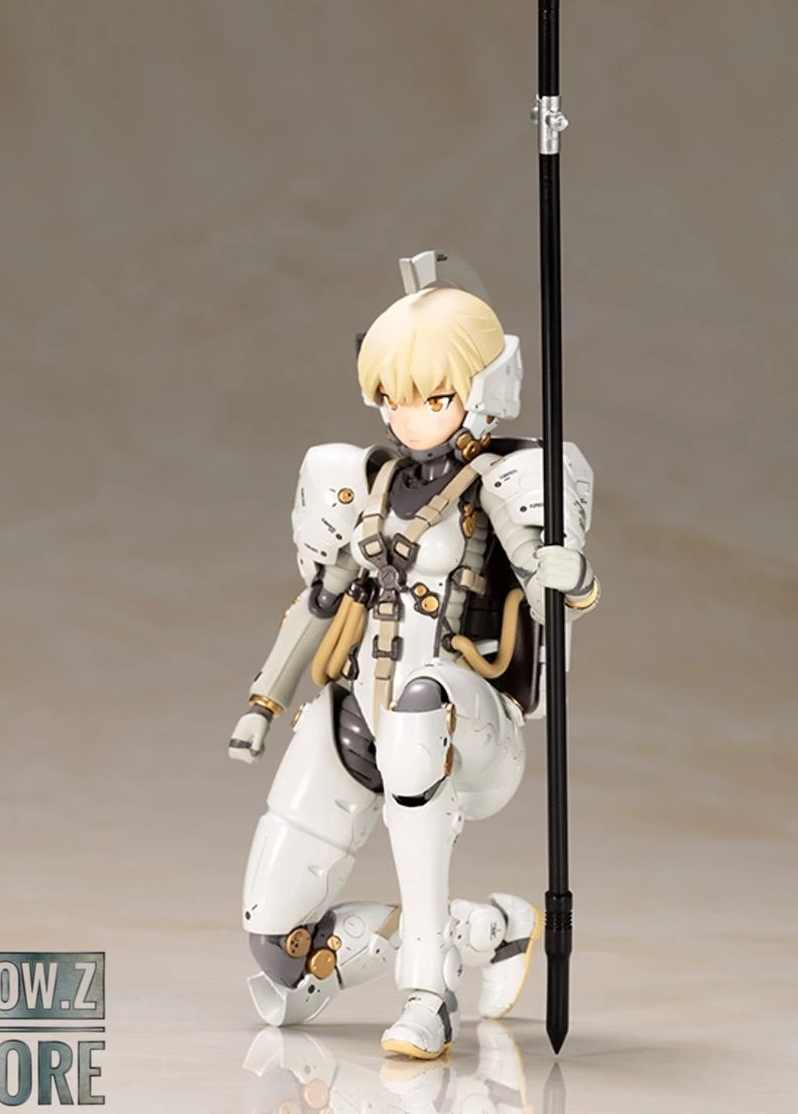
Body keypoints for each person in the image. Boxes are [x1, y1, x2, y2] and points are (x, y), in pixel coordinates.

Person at [230, 255, 598, 1059]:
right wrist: (265, 700)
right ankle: (490, 929)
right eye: (394, 396)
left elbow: (548, 586)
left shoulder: (503, 482)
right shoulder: (362, 482)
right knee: (280, 953)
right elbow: (321, 598)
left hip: (463, 723)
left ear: (482, 389)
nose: (409, 416)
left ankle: (429, 991)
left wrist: (569, 577)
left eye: (433, 396)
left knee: (419, 708)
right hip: (360, 711)